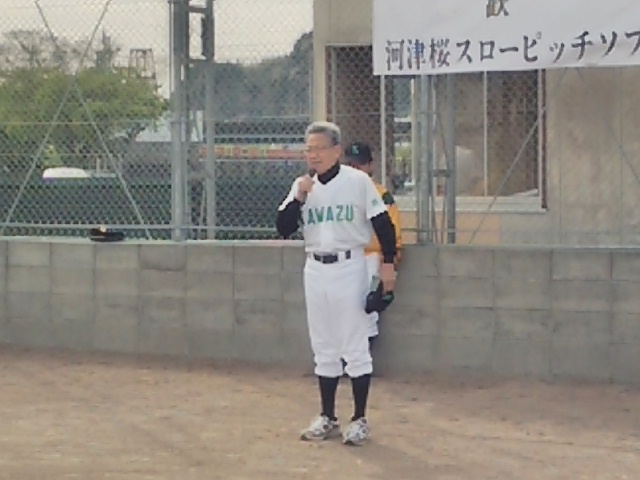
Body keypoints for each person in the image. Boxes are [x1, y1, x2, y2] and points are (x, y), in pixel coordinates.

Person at [275, 121, 397, 446]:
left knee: (355, 344)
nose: (313, 155)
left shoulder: (357, 181)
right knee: (323, 345)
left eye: (319, 148)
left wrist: (388, 266)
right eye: (308, 149)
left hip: (350, 265)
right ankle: (327, 416)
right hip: (315, 268)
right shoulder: (303, 185)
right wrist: (299, 197)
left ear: (336, 151)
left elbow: (383, 224)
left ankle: (359, 419)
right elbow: (283, 227)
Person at [343, 142, 403, 352]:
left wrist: (389, 261)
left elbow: (393, 233)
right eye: (351, 165)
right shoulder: (337, 192)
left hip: (370, 257)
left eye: (360, 165)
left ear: (370, 166)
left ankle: (358, 357)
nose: (356, 169)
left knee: (364, 309)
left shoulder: (380, 194)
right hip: (343, 257)